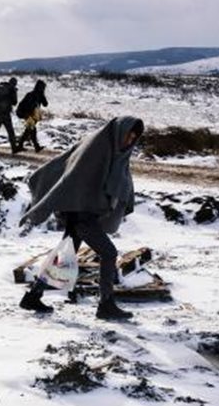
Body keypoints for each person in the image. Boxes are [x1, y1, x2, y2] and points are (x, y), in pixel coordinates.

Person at [18, 116, 145, 320]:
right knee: (109, 253)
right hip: (80, 214)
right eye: (128, 136)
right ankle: (106, 305)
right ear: (120, 131)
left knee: (64, 255)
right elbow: (72, 175)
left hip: (83, 212)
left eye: (133, 138)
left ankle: (33, 295)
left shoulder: (113, 149)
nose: (129, 141)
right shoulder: (97, 147)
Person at [0, 77, 20, 154]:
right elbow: (14, 102)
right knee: (10, 131)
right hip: (5, 114)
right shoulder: (11, 90)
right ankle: (14, 148)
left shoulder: (1, 88)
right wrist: (14, 93)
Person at [17, 80, 48, 153]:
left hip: (33, 115)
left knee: (28, 131)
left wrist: (43, 96)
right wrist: (28, 115)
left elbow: (45, 104)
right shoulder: (31, 95)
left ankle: (20, 145)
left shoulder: (39, 95)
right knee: (32, 130)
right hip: (27, 114)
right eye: (42, 87)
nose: (43, 89)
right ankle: (36, 147)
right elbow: (26, 106)